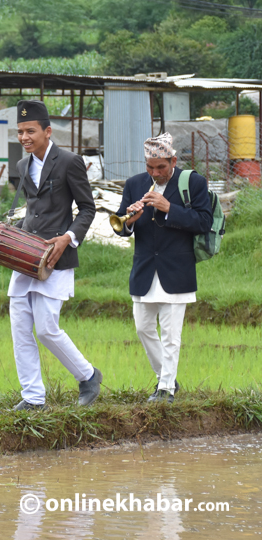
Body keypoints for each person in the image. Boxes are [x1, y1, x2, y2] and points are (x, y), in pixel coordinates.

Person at [8, 100, 100, 411]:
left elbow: (88, 208)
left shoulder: (69, 162)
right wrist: (8, 234)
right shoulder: (22, 166)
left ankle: (88, 375)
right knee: (20, 328)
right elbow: (33, 213)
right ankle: (33, 397)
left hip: (54, 257)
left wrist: (68, 238)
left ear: (47, 131)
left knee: (46, 328)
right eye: (20, 132)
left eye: (30, 131)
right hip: (25, 256)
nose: (24, 137)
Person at [114, 133, 212, 403]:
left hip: (176, 269)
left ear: (173, 160)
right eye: (150, 167)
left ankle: (166, 389)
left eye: (161, 167)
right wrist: (131, 220)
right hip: (145, 268)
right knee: (143, 328)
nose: (155, 173)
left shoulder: (192, 182)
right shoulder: (135, 184)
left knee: (171, 334)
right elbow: (122, 228)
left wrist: (170, 208)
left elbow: (204, 221)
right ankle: (166, 378)